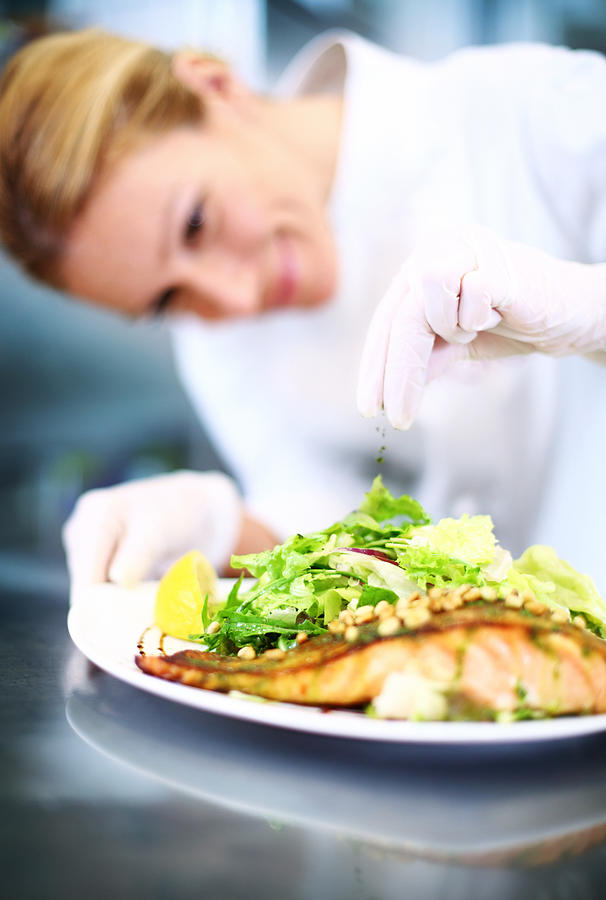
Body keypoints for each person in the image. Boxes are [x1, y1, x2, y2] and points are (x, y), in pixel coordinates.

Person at [1, 27, 606, 590]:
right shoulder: (214, 341)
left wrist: (584, 307)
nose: (234, 297)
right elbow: (328, 526)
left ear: (217, 88)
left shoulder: (530, 109)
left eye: (195, 223)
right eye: (166, 300)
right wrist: (220, 527)